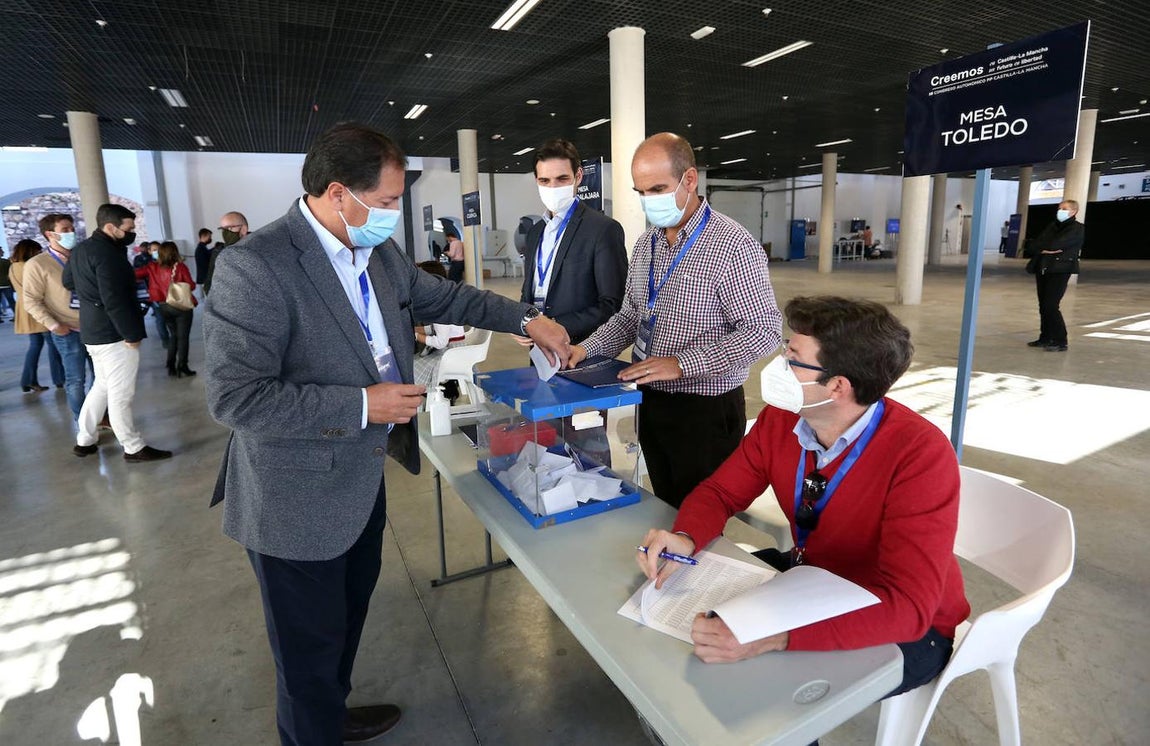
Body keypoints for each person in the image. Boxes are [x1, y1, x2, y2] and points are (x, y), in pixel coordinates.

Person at [203, 121, 571, 746]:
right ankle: (310, 729)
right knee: (305, 654)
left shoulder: (378, 255)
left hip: (358, 482)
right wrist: (360, 405)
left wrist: (528, 318)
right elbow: (236, 397)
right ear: (338, 193)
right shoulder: (256, 267)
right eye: (387, 202)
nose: (394, 215)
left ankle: (331, 713)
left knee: (343, 624)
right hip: (293, 499)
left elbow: (451, 298)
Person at [637, 296, 970, 699]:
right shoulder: (782, 419)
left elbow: (909, 608)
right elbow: (721, 491)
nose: (777, 366)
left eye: (792, 358)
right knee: (682, 611)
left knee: (778, 691)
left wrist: (774, 637)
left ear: (837, 386)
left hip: (906, 624)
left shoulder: (920, 455)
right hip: (809, 576)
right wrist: (686, 536)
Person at [570, 132, 782, 508]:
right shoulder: (646, 243)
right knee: (667, 507)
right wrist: (583, 349)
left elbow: (763, 332)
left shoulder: (732, 245)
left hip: (704, 413)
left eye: (658, 188)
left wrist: (683, 364)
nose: (649, 201)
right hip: (651, 401)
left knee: (699, 517)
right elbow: (631, 316)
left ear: (689, 179)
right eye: (641, 192)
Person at [62, 203, 172, 462]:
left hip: (92, 330)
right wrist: (131, 334)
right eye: (129, 228)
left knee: (101, 386)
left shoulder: (81, 249)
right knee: (121, 393)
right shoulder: (109, 255)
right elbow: (114, 299)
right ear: (110, 227)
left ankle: (85, 439)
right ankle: (133, 447)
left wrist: (91, 294)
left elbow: (68, 281)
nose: (133, 232)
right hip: (114, 334)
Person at [518, 138, 626, 344]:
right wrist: (522, 322)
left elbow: (613, 304)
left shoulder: (602, 229)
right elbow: (528, 290)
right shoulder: (535, 232)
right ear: (536, 180)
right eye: (545, 181)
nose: (553, 187)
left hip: (582, 349)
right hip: (538, 347)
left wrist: (555, 325)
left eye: (562, 179)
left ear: (578, 176)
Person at [24, 213, 88, 420]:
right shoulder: (37, 264)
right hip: (67, 329)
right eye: (65, 230)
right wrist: (54, 325)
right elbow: (31, 300)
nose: (72, 233)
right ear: (49, 234)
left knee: (103, 377)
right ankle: (83, 422)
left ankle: (100, 415)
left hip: (95, 327)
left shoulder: (81, 256)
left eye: (72, 228)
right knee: (76, 379)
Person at [1027, 199, 1084, 352]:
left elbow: (1055, 245)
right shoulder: (1053, 226)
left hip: (1060, 269)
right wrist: (1044, 249)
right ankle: (1045, 337)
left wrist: (1046, 248)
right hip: (1044, 268)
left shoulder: (1077, 229)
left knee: (1051, 305)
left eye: (1064, 208)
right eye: (1059, 208)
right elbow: (1034, 245)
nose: (1060, 211)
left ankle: (1060, 340)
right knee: (1043, 306)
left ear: (1073, 212)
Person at [10, 238, 65, 392]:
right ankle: (59, 378)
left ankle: (28, 380)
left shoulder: (13, 266)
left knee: (35, 345)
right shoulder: (30, 265)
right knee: (53, 344)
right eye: (37, 250)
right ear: (30, 251)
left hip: (24, 308)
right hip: (38, 308)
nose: (40, 253)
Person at [136, 240, 197, 377]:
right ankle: (182, 365)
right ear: (175, 252)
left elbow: (135, 275)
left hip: (163, 306)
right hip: (181, 306)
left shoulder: (152, 267)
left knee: (173, 335)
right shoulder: (180, 267)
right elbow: (191, 286)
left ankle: (170, 365)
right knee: (183, 337)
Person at [412, 260, 466, 387]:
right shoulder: (445, 298)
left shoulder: (440, 309)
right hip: (455, 351)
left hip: (449, 355)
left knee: (412, 367)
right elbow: (435, 328)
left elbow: (440, 342)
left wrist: (415, 335)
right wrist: (416, 329)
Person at [204, 211, 249, 295]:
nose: (225, 233)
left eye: (229, 228)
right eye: (223, 229)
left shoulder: (257, 249)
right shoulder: (218, 252)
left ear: (243, 229)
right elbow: (210, 282)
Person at [194, 228, 213, 295]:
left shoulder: (202, 248)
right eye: (209, 236)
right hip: (205, 279)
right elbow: (205, 262)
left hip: (204, 279)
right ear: (204, 236)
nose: (210, 238)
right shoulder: (200, 249)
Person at [0, 247, 13, 321]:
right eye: (2, 251)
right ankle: (16, 316)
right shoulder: (6, 262)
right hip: (6, 284)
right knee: (11, 301)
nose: (3, 252)